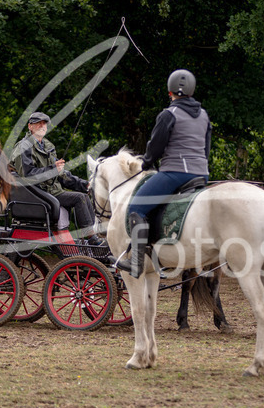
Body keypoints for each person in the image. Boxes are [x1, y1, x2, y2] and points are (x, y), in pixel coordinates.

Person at [117, 69, 211, 277]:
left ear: (170, 92)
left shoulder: (169, 114)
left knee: (136, 207)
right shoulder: (204, 115)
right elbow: (206, 148)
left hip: (175, 172)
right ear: (192, 91)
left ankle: (136, 261)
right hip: (201, 174)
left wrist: (147, 162)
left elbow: (157, 146)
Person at [12, 112, 106, 248]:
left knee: (84, 195)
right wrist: (52, 169)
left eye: (44, 123)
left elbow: (61, 175)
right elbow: (27, 176)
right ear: (30, 126)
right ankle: (91, 236)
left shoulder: (47, 146)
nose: (42, 126)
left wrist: (84, 184)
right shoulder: (24, 147)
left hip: (52, 191)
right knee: (80, 198)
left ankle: (93, 233)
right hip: (37, 193)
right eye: (38, 123)